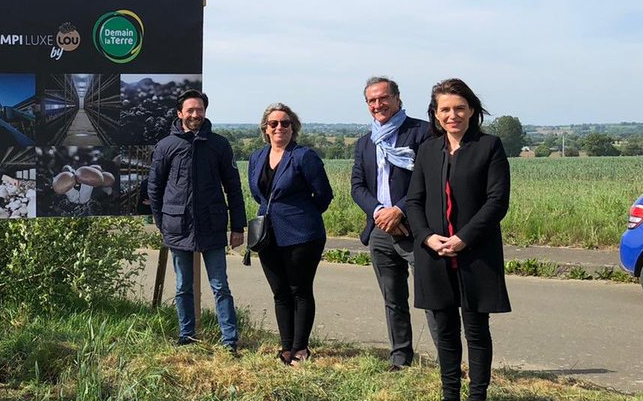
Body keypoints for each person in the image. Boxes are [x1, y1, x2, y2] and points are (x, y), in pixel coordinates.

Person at [405, 79, 511, 401]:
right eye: (445, 109)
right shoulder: (427, 150)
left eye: (459, 108)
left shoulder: (489, 146)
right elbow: (414, 200)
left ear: (472, 111)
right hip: (434, 253)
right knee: (445, 327)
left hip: (475, 253)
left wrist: (464, 237)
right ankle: (450, 395)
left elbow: (497, 201)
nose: (453, 115)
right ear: (435, 115)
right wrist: (425, 237)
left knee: (477, 329)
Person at [148, 89, 247, 351]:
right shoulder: (166, 146)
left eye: (199, 110)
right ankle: (187, 335)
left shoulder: (219, 145)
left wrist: (238, 226)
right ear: (180, 113)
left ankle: (229, 340)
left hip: (212, 226)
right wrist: (161, 222)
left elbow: (233, 187)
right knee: (183, 286)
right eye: (190, 110)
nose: (195, 114)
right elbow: (154, 188)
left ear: (205, 112)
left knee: (220, 286)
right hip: (177, 226)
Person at [350, 76, 433, 370]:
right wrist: (380, 213)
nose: (378, 105)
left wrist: (399, 210)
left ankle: (447, 360)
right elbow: (358, 187)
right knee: (392, 298)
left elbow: (428, 179)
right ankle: (400, 357)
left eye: (383, 98)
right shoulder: (365, 142)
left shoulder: (422, 132)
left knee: (431, 296)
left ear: (397, 98)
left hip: (416, 229)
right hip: (380, 232)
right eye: (371, 101)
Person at [247, 103, 333, 364]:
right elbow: (256, 193)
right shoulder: (257, 157)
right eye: (273, 123)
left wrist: (302, 214)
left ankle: (301, 349)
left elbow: (324, 195)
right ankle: (285, 347)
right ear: (265, 129)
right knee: (280, 292)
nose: (279, 128)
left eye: (285, 123)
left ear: (293, 128)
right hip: (268, 235)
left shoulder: (304, 156)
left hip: (302, 234)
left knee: (300, 290)